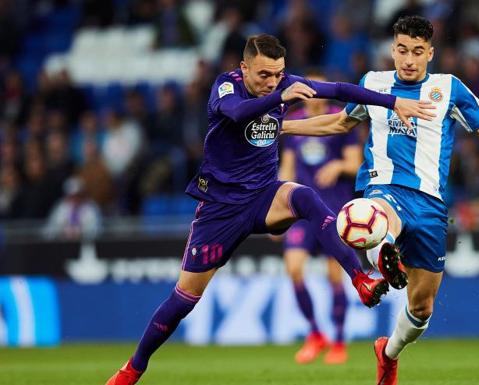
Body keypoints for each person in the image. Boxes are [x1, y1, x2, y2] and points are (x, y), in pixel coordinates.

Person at [105, 33, 435, 385]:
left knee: (306, 198)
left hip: (264, 195)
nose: (272, 81)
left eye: (278, 74)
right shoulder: (226, 88)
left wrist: (392, 101)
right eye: (264, 74)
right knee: (185, 298)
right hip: (221, 208)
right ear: (244, 67)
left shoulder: (283, 85)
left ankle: (361, 279)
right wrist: (281, 95)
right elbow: (237, 113)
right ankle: (133, 368)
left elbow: (339, 90)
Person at [282, 16, 479, 385]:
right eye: (402, 50)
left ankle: (388, 352)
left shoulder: (449, 89)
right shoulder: (374, 85)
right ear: (393, 49)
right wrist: (281, 126)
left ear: (430, 53)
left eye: (417, 52)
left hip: (430, 205)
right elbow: (339, 123)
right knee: (372, 216)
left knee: (421, 308)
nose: (408, 60)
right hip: (384, 189)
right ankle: (384, 252)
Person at [279, 71, 361, 365]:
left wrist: (338, 166)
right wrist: (276, 208)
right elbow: (287, 168)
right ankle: (315, 334)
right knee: (294, 269)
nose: (310, 95)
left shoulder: (341, 119)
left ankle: (339, 340)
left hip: (333, 209)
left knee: (334, 276)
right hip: (300, 211)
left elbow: (355, 163)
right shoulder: (294, 122)